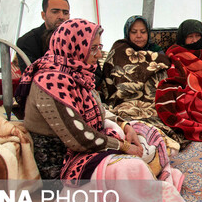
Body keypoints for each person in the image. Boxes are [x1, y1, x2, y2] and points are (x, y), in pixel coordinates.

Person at [15, 18, 143, 180]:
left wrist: (125, 126)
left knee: (145, 133)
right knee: (131, 167)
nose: (98, 55)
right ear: (74, 48)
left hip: (85, 145)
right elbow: (79, 139)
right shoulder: (49, 82)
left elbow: (98, 109)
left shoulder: (77, 73)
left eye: (99, 47)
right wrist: (122, 146)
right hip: (61, 162)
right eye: (93, 49)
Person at [101, 15, 184, 153]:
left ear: (148, 33)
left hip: (151, 99)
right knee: (126, 114)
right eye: (134, 32)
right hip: (124, 100)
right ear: (127, 33)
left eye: (143, 32)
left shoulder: (156, 50)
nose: (139, 36)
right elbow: (112, 73)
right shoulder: (120, 48)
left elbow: (165, 70)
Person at [16, 0, 70, 72]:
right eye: (55, 12)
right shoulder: (27, 42)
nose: (61, 16)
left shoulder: (77, 38)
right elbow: (31, 76)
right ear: (43, 15)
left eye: (65, 13)